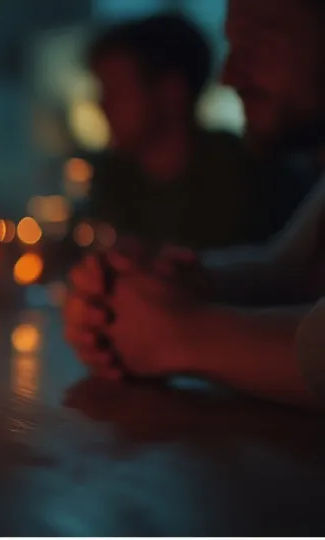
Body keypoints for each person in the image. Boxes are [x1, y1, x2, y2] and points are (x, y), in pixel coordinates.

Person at [64, 0, 325, 408]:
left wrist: (174, 335)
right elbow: (288, 269)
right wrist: (156, 284)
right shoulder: (113, 175)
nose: (227, 76)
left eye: (260, 44)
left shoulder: (246, 174)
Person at [84, 13, 284, 249]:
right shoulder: (110, 181)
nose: (103, 105)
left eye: (116, 90)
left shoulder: (251, 178)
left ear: (172, 91)